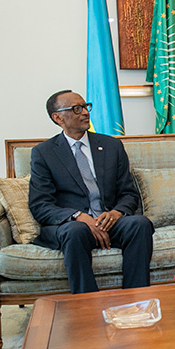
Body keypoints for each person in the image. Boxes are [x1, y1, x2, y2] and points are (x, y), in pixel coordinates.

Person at [29, 90, 154, 294]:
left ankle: (136, 299)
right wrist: (79, 217)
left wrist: (116, 213)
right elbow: (40, 205)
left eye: (86, 106)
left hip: (108, 221)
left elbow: (129, 193)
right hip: (73, 226)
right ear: (58, 117)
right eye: (76, 109)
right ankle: (87, 305)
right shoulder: (44, 153)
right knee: (75, 231)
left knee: (140, 224)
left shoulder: (111, 145)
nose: (85, 113)